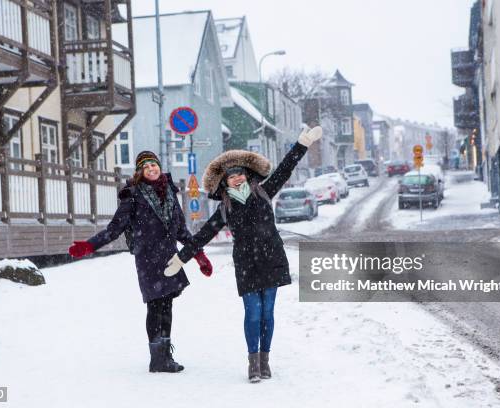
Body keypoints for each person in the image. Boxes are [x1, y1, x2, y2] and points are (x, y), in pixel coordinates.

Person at [163, 126, 323, 383]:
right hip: (247, 263)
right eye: (231, 176)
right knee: (253, 312)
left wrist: (302, 143)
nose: (236, 178)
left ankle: (265, 360)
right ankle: (252, 362)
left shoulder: (264, 191)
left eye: (239, 174)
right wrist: (182, 257)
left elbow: (285, 167)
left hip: (272, 258)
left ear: (247, 176)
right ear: (225, 183)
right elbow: (203, 235)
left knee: (268, 312)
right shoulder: (225, 209)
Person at [68, 151, 213, 373]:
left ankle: (165, 355)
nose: (151, 169)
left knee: (167, 306)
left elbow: (182, 231)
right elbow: (114, 228)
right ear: (140, 172)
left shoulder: (171, 194)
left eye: (153, 165)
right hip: (147, 259)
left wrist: (199, 256)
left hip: (170, 258)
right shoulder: (133, 196)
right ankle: (157, 359)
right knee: (155, 306)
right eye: (146, 167)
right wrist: (89, 246)